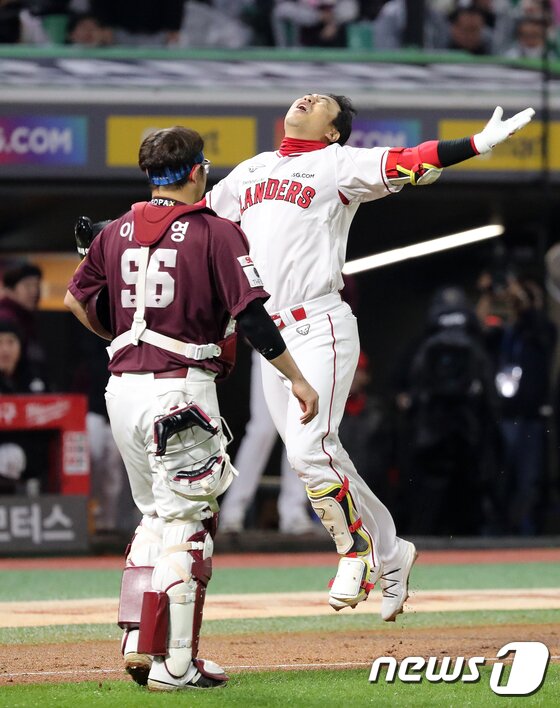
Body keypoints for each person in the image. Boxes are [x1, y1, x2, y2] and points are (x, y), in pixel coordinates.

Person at [205, 92, 534, 620]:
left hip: (318, 325)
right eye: (306, 95)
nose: (308, 98)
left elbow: (409, 160)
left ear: (333, 131)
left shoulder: (337, 163)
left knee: (309, 452)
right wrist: (120, 232)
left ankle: (354, 552)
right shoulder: (252, 170)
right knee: (318, 458)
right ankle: (392, 551)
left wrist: (474, 144)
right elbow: (197, 222)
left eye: (321, 103)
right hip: (270, 337)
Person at [64, 125, 318, 691]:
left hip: (122, 389)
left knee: (156, 518)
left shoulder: (116, 229)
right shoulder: (215, 231)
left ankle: (138, 642)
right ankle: (176, 665)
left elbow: (74, 299)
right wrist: (297, 378)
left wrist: (122, 339)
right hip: (180, 389)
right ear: (199, 170)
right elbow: (252, 317)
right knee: (191, 524)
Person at [219, 347, 317, 534]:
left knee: (299, 428)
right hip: (270, 347)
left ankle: (294, 511)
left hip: (303, 346)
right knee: (262, 430)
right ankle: (233, 511)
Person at [0, 262, 48, 384]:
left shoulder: (27, 318)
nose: (34, 291)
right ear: (9, 289)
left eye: (36, 285)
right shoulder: (6, 318)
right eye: (27, 285)